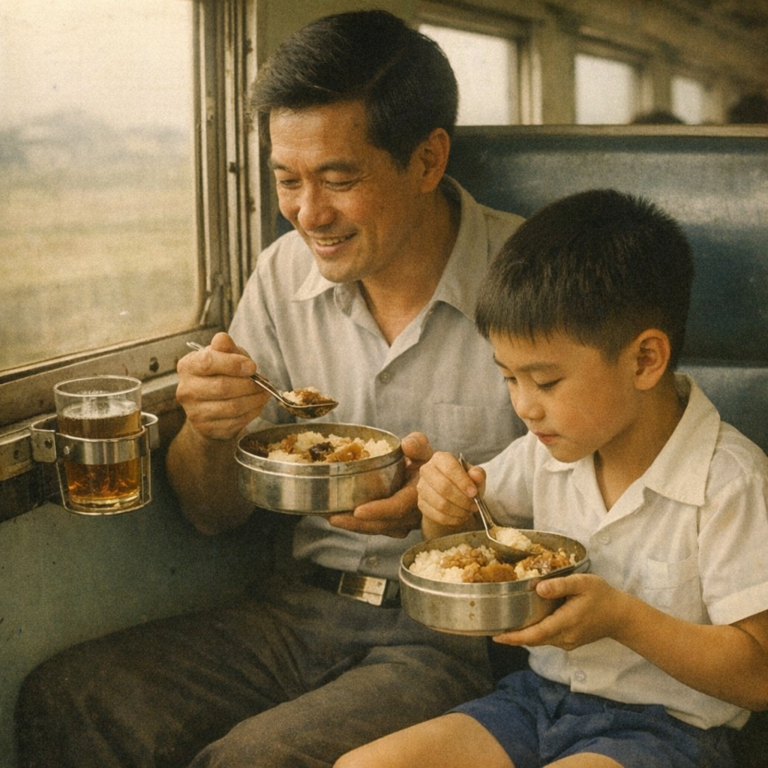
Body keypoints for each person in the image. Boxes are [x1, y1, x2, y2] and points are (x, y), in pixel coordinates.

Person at [14, 10, 526, 768]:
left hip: (456, 634)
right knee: (70, 697)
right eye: (287, 179)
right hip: (300, 606)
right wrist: (211, 432)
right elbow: (214, 513)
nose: (307, 214)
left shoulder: (533, 280)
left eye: (338, 180)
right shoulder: (284, 273)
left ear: (426, 161)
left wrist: (452, 515)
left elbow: (606, 508)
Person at [335, 189, 768, 768]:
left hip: (672, 732)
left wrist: (621, 618)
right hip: (535, 704)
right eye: (509, 379)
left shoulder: (729, 481)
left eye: (545, 382)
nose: (524, 408)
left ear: (644, 360)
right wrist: (443, 510)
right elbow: (457, 546)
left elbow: (758, 674)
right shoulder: (542, 456)